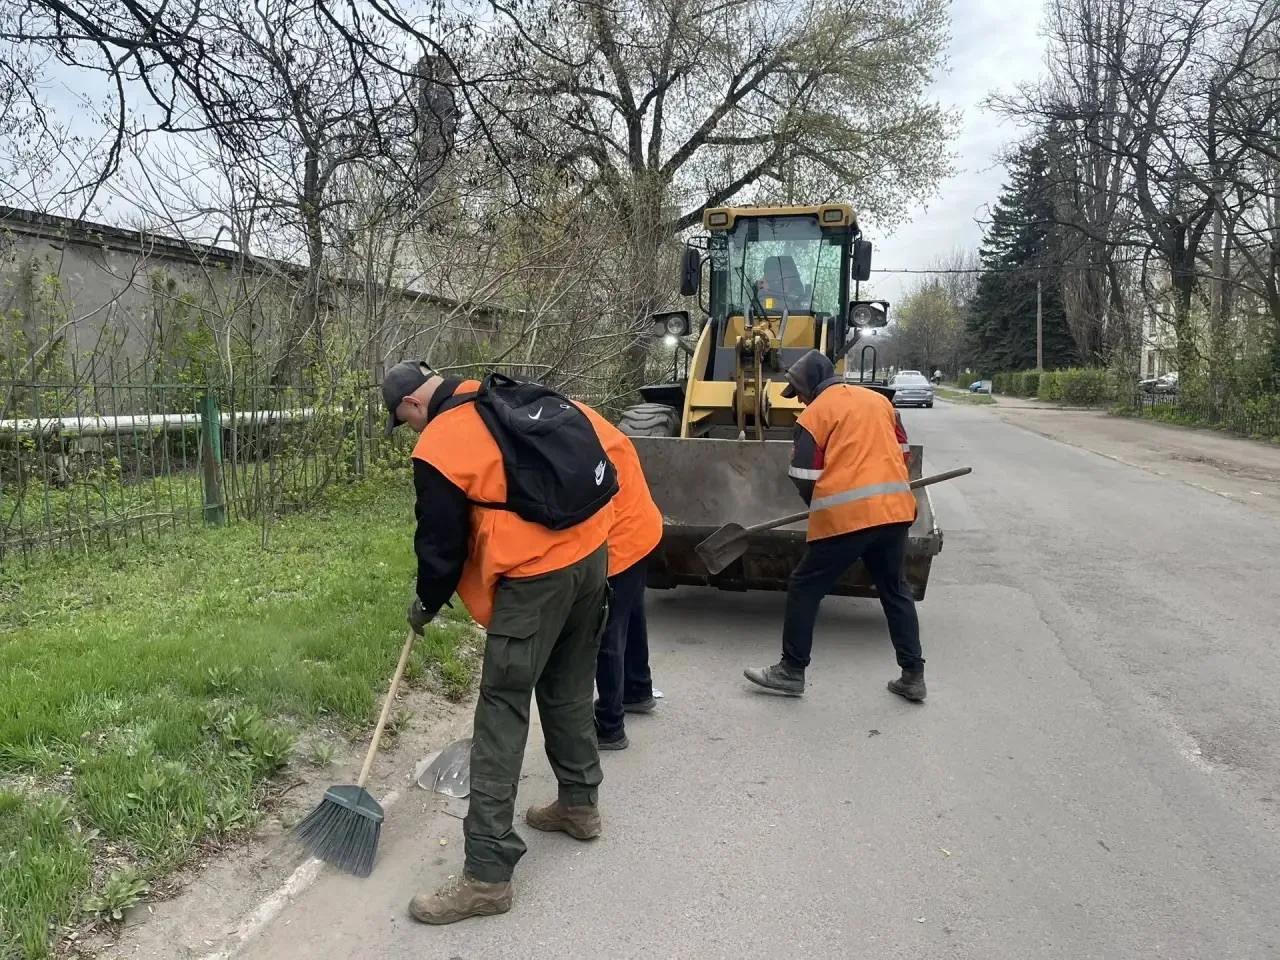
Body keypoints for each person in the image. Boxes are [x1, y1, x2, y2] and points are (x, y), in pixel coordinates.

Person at [381, 361, 616, 925]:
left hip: (534, 580)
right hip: (589, 557)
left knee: (501, 713)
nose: (409, 429)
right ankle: (580, 806)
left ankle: (486, 878)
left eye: (402, 420)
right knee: (567, 687)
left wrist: (426, 601)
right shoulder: (508, 395)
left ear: (413, 404)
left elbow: (440, 545)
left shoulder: (440, 442)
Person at [743, 349, 927, 703]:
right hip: (895, 512)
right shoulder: (879, 402)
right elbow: (903, 453)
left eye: (797, 391)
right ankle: (913, 675)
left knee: (803, 586)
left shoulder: (815, 415)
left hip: (848, 519)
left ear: (810, 385)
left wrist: (822, 504)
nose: (797, 399)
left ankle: (791, 671)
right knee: (895, 590)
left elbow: (804, 475)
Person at [573, 403, 663, 750]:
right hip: (641, 522)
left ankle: (610, 725)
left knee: (607, 625)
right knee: (630, 610)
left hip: (621, 531)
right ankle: (638, 689)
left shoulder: (553, 435)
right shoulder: (570, 415)